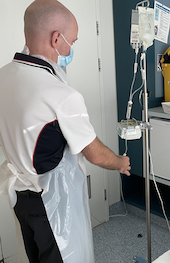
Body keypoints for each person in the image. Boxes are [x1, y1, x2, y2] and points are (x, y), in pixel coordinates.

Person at [0, 0, 130, 262]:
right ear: (57, 38)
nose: (72, 48)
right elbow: (95, 154)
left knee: (33, 255)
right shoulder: (61, 96)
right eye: (73, 41)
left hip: (19, 196)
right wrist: (120, 162)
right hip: (52, 203)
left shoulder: (4, 77)